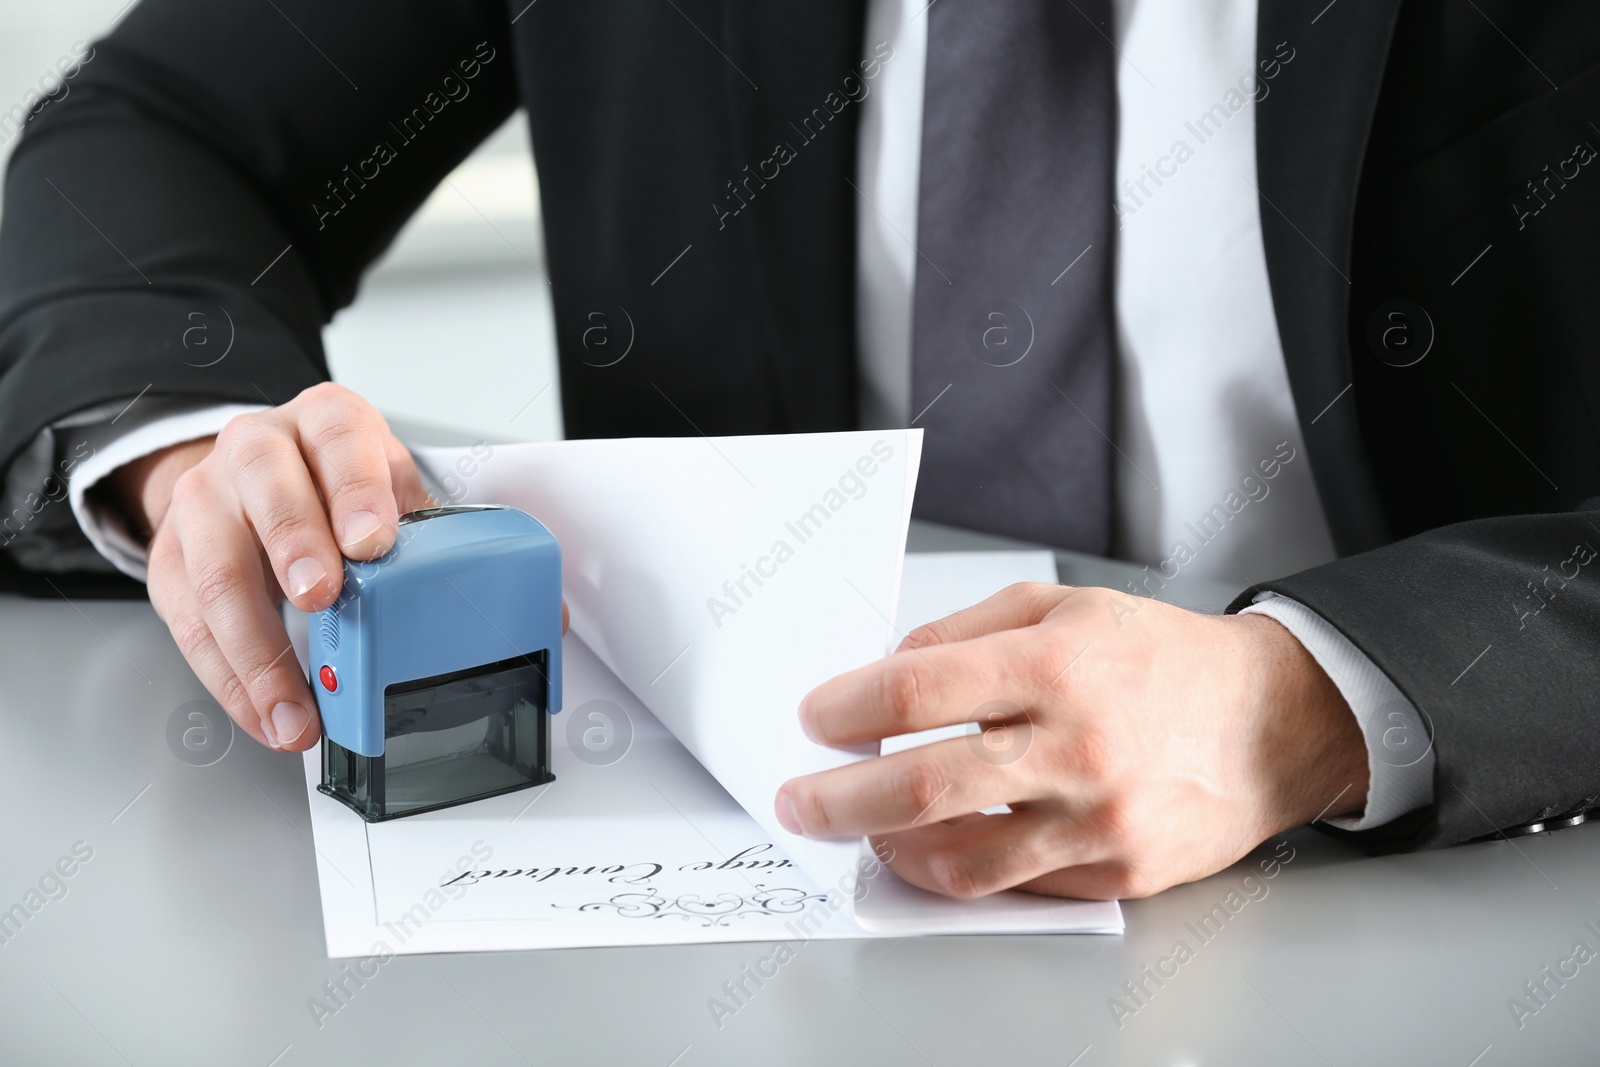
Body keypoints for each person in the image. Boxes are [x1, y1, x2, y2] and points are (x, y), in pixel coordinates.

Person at [0, 0, 1595, 901]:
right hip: (723, 909)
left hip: (1431, 887)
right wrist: (196, 450)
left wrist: (1308, 704)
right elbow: (159, 131)